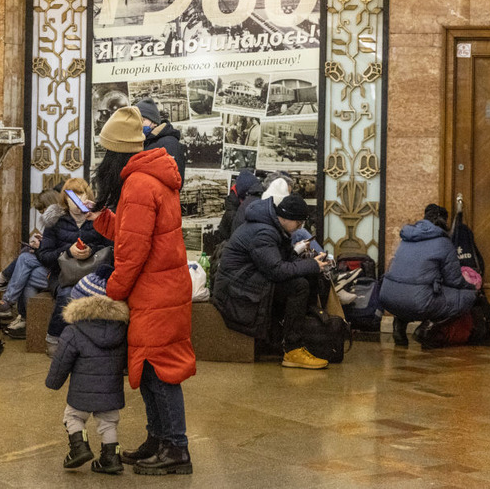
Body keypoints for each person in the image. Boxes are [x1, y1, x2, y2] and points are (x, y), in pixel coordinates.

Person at [85, 105, 196, 475]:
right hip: (163, 286)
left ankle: (176, 448)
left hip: (155, 290)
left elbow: (132, 253)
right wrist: (100, 218)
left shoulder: (138, 184)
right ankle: (158, 439)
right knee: (153, 369)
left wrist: (112, 291)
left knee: (160, 371)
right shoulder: (149, 178)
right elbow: (136, 233)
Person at [211, 192, 333, 369]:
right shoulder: (264, 232)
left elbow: (282, 262)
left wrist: (310, 263)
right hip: (236, 289)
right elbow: (276, 270)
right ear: (287, 218)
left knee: (300, 280)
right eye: (298, 223)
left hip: (245, 280)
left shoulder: (270, 227)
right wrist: (312, 265)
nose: (299, 228)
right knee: (298, 287)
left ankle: (284, 340)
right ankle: (293, 349)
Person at [45, 265, 129, 475]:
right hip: (111, 391)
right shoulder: (122, 330)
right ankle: (111, 457)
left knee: (73, 417)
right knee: (108, 422)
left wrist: (53, 382)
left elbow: (61, 361)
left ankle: (78, 448)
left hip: (80, 393)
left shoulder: (73, 331)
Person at [378, 204, 478, 346]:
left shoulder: (407, 237)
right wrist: (471, 287)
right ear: (444, 221)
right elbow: (454, 280)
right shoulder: (444, 243)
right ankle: (426, 329)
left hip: (388, 297)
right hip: (417, 300)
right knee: (467, 297)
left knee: (409, 289)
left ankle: (399, 326)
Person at [0, 188, 66, 338]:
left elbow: (55, 254)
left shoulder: (59, 223)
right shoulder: (56, 222)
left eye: (42, 209)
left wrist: (40, 248)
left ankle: (5, 293)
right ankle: (23, 318)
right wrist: (41, 245)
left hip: (60, 274)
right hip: (53, 271)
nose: (41, 214)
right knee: (28, 271)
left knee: (24, 259)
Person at [36, 178, 113, 354]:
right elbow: (44, 256)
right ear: (66, 200)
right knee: (66, 295)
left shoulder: (98, 219)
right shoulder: (55, 221)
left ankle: (99, 346)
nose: (78, 205)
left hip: (95, 273)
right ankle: (54, 338)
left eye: (81, 197)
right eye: (73, 199)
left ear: (88, 197)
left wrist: (91, 250)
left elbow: (112, 249)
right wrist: (68, 251)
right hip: (63, 275)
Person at [136, 98, 186, 187]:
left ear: (154, 122)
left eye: (142, 120)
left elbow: (173, 180)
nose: (138, 123)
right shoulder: (146, 141)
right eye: (136, 120)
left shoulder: (169, 143)